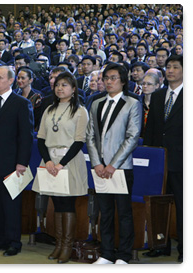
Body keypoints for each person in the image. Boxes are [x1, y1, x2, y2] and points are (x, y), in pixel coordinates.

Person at [86, 62, 142, 264]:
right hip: (100, 168)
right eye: (106, 78)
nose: (108, 82)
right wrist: (97, 163)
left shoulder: (132, 103)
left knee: (124, 212)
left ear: (123, 81)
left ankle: (124, 255)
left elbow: (133, 136)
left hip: (121, 168)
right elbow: (90, 136)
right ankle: (107, 253)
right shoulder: (95, 103)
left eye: (113, 78)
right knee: (105, 212)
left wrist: (113, 164)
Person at [33, 71, 88, 263]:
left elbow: (80, 141)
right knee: (55, 204)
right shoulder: (49, 109)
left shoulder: (80, 111)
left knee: (67, 204)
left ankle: (67, 245)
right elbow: (40, 139)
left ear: (73, 89)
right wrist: (48, 161)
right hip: (49, 161)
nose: (60, 88)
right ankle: (58, 244)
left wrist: (61, 163)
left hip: (69, 161)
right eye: (57, 85)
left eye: (64, 85)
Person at [0, 66, 34, 256]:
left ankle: (13, 241)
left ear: (11, 81)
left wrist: (22, 162)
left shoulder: (20, 103)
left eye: (1, 78)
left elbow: (26, 136)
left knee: (11, 204)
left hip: (12, 163)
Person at [143, 55, 183, 263]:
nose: (170, 71)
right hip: (159, 161)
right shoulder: (158, 96)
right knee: (158, 205)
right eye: (168, 67)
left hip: (182, 161)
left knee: (183, 205)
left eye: (176, 67)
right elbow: (150, 130)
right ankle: (160, 245)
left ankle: (185, 249)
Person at [141, 72, 160, 136]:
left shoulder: (160, 104)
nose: (145, 86)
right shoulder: (137, 101)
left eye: (149, 84)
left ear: (157, 85)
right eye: (143, 84)